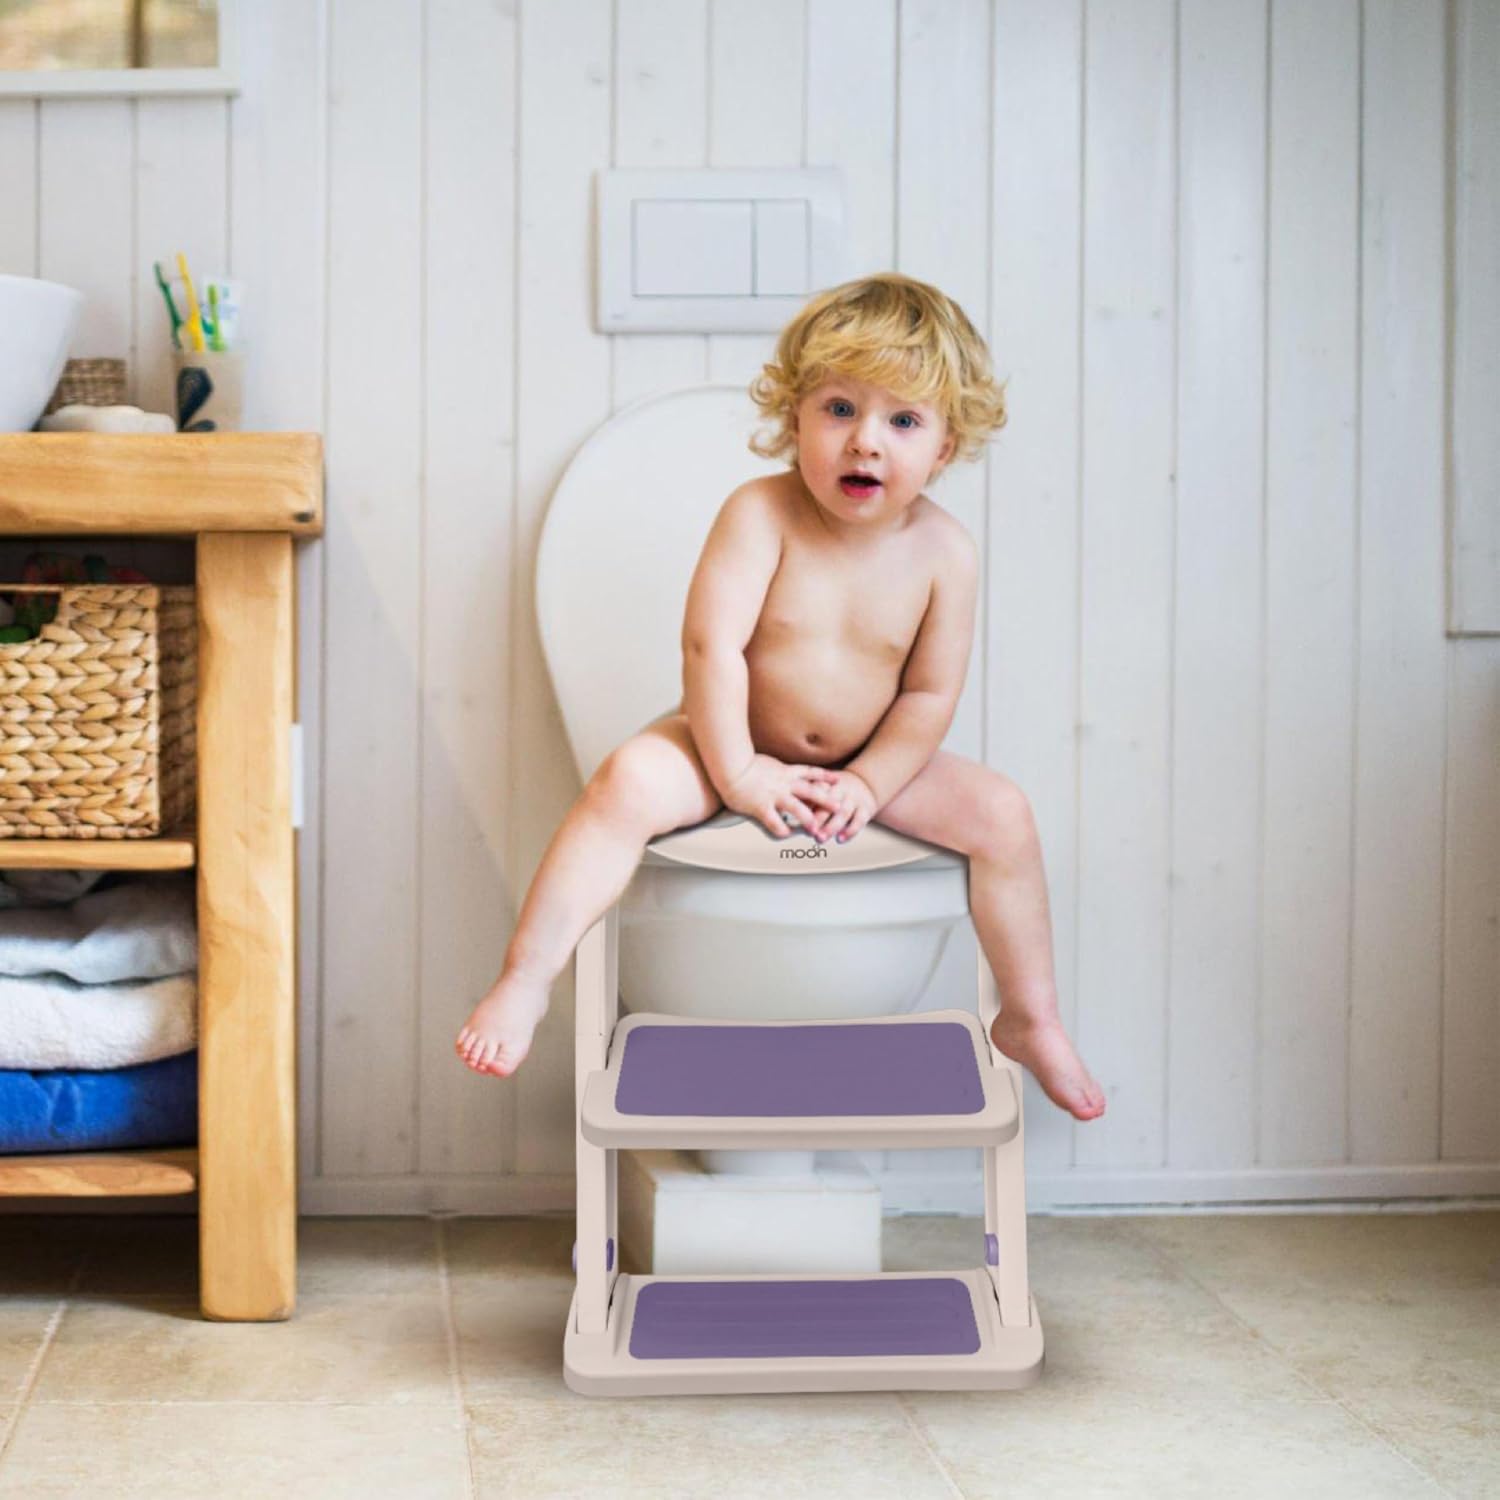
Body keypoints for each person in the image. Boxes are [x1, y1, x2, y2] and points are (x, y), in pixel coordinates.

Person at [456, 272, 1105, 1121]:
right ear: (794, 416)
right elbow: (712, 649)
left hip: (868, 761)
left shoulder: (947, 554)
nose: (865, 442)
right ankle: (525, 979)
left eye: (903, 421)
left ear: (946, 446)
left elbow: (927, 694)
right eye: (839, 409)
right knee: (625, 784)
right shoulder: (760, 513)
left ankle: (1031, 1016)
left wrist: (869, 781)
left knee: (1004, 815)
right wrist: (737, 772)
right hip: (723, 739)